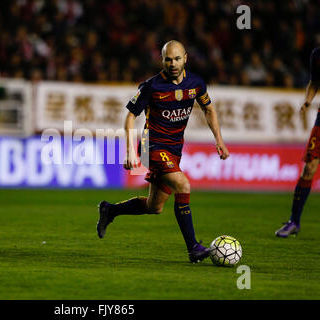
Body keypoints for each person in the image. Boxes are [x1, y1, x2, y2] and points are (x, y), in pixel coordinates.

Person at [97, 41, 230, 263]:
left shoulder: (196, 83)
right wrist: (130, 150)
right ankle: (194, 248)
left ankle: (110, 210)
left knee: (154, 207)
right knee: (183, 184)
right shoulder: (151, 87)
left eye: (177, 59)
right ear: (162, 60)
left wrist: (219, 139)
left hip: (174, 149)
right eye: (168, 59)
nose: (173, 64)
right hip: (152, 146)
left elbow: (208, 109)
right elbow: (130, 116)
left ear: (185, 58)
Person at [275, 47, 319, 238]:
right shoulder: (317, 55)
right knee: (309, 168)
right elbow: (315, 82)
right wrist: (308, 100)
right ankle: (294, 221)